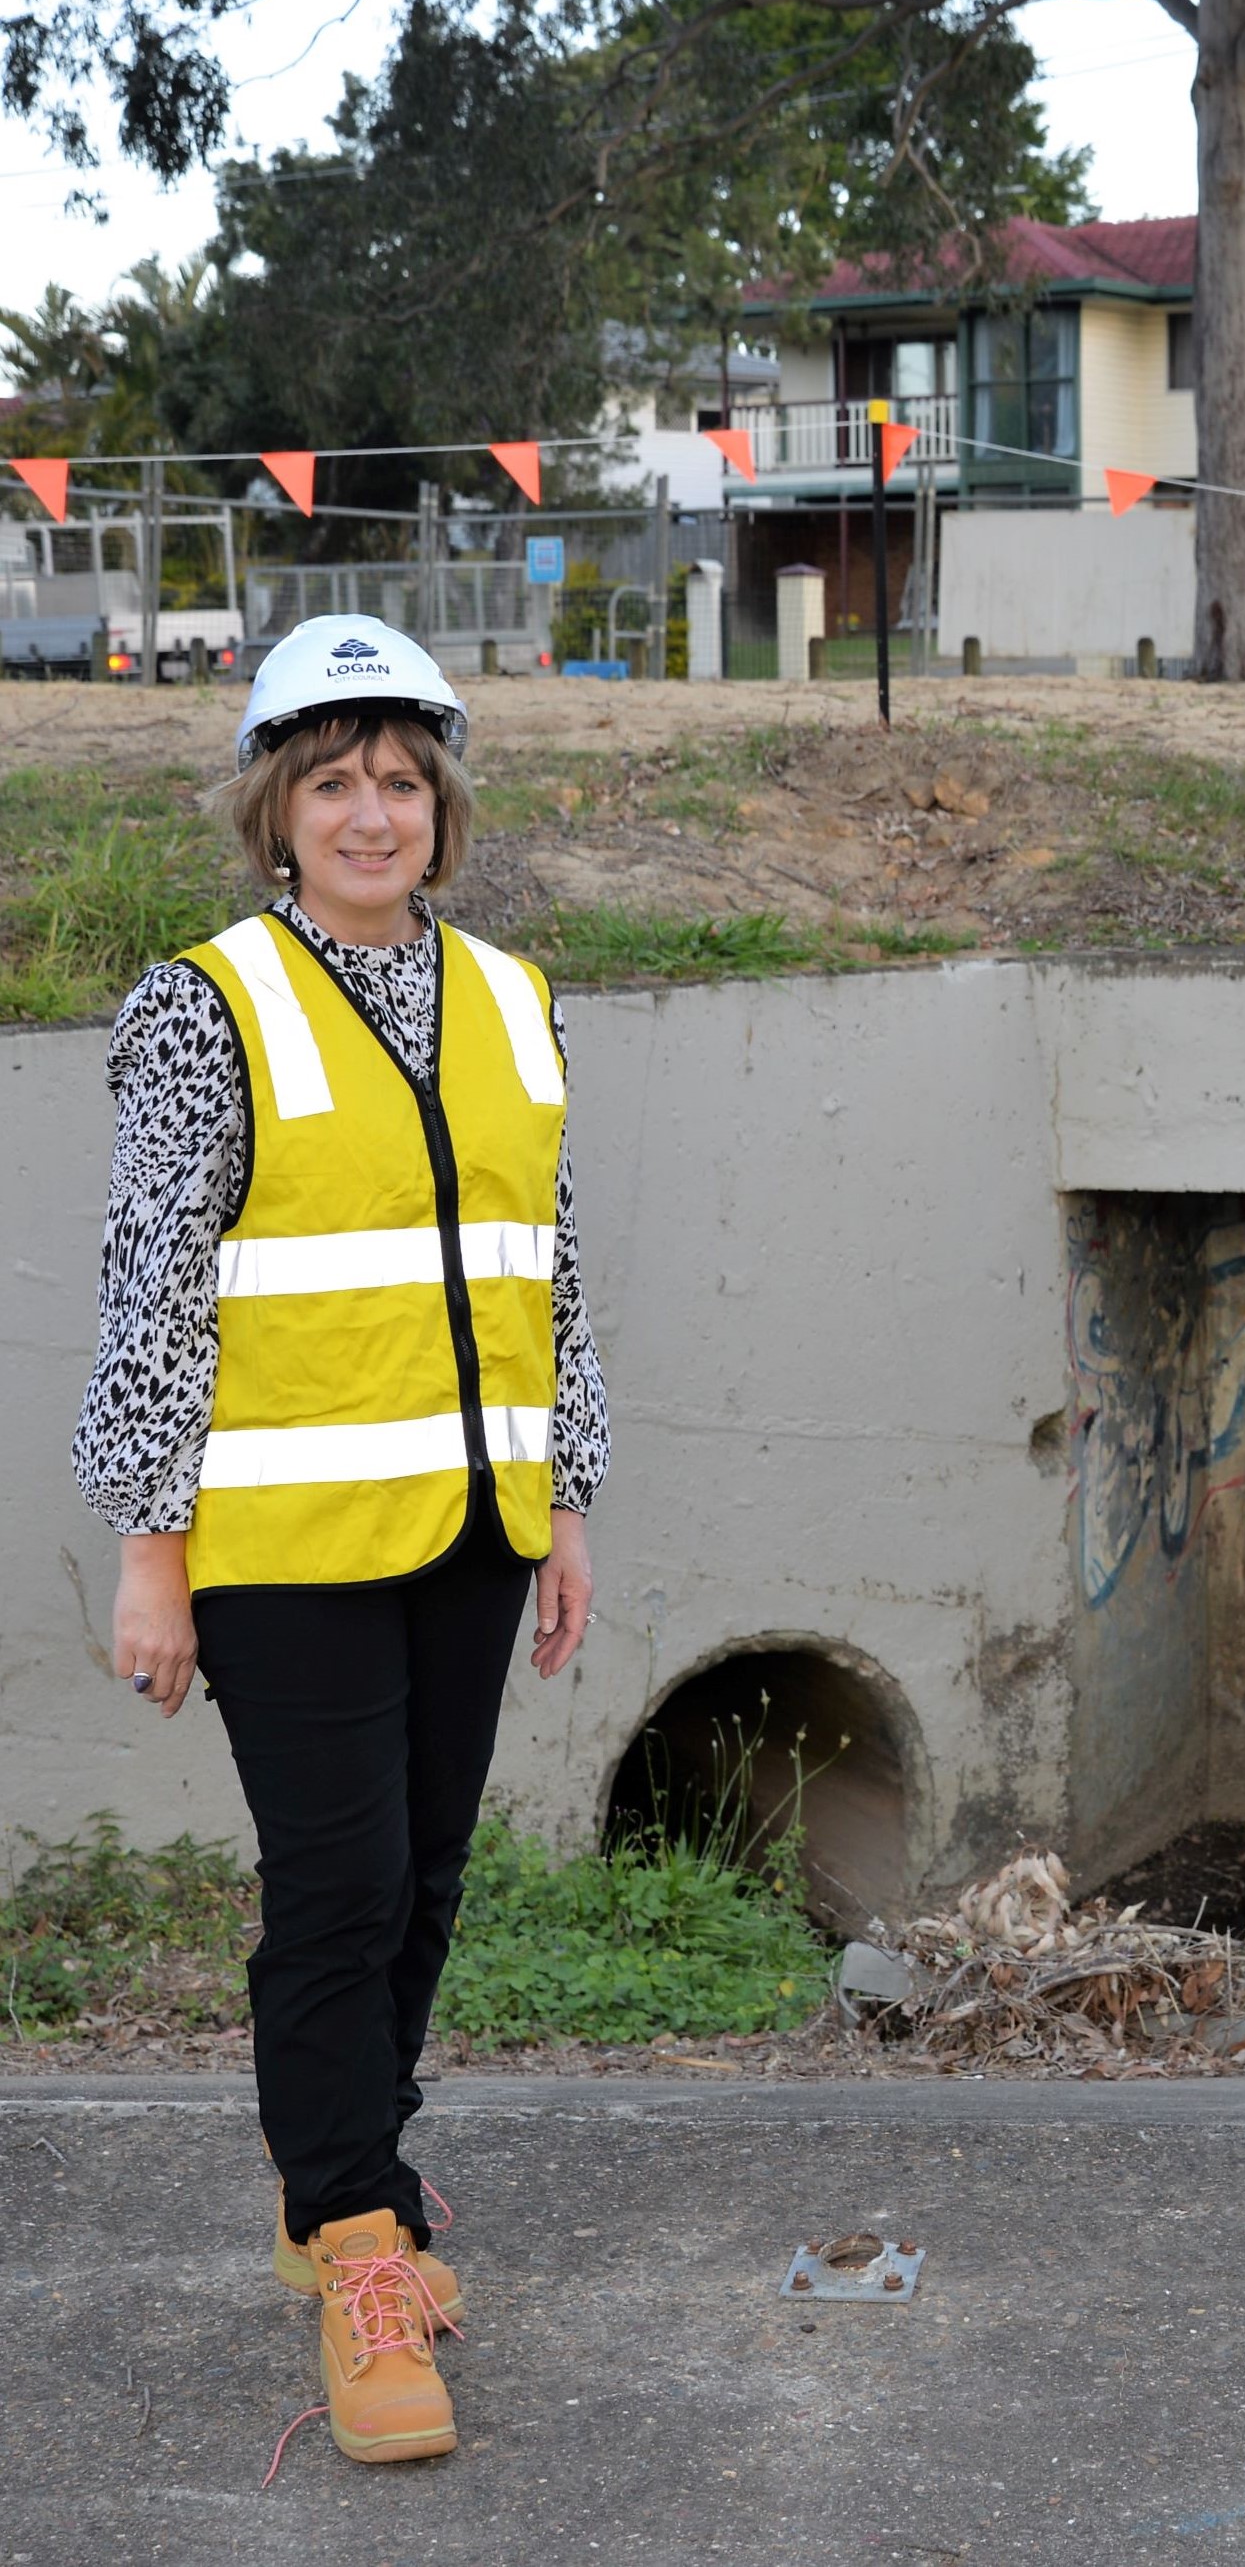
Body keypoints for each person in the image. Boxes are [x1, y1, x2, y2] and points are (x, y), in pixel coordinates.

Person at [72, 616, 609, 2461]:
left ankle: (340, 2184)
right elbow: (154, 1297)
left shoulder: (516, 998)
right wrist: (152, 1555)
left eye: (399, 778)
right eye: (332, 779)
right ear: (273, 810)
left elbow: (554, 1277)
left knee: (431, 1882)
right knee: (344, 1889)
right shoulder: (206, 1002)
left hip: (470, 1523)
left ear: (440, 807)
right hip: (282, 1544)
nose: (371, 812)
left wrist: (564, 1508)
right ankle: (359, 2247)